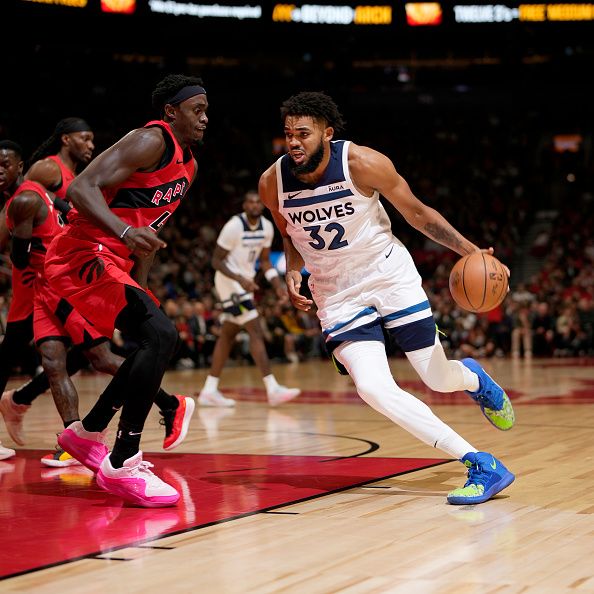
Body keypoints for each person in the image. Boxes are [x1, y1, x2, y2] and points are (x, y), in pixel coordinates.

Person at [259, 91, 516, 505]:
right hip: (336, 293)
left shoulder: (361, 163)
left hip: (387, 274)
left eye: (303, 134)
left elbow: (416, 213)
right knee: (373, 389)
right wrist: (292, 268)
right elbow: (288, 232)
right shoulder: (272, 182)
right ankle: (480, 463)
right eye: (288, 134)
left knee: (437, 378)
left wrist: (471, 251)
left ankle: (473, 378)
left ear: (327, 133)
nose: (293, 142)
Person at [44, 73, 208, 507]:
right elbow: (81, 188)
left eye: (208, 111)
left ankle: (84, 434)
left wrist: (143, 292)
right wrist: (121, 229)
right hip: (81, 251)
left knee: (153, 340)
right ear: (171, 112)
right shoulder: (151, 140)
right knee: (163, 336)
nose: (205, 118)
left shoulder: (189, 166)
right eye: (197, 109)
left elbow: (148, 233)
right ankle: (122, 460)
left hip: (114, 262)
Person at [0, 138, 193, 467]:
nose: (90, 144)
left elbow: (40, 239)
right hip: (45, 286)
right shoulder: (43, 179)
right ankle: (67, 433)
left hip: (68, 280)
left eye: (92, 139)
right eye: (85, 138)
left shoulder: (42, 193)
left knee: (99, 355)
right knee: (55, 362)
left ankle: (162, 406)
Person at [198, 191, 301, 407]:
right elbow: (216, 261)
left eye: (257, 202)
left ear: (261, 206)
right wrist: (240, 280)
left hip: (244, 284)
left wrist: (278, 285)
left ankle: (209, 390)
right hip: (229, 282)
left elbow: (264, 262)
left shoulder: (266, 227)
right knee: (255, 329)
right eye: (250, 202)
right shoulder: (234, 226)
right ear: (244, 205)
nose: (254, 205)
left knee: (227, 334)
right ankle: (272, 389)